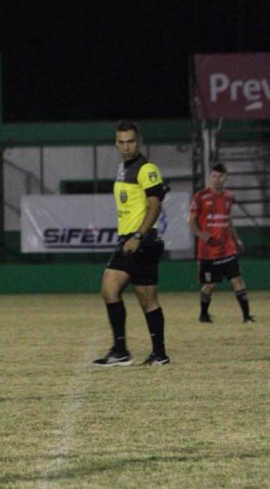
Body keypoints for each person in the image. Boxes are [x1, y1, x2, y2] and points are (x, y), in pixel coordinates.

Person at [93, 120, 170, 367]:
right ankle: (121, 350)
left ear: (140, 142)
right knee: (110, 289)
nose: (126, 147)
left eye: (131, 142)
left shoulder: (146, 169)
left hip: (142, 242)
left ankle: (158, 354)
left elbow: (155, 205)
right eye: (122, 142)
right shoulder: (123, 168)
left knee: (146, 300)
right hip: (127, 241)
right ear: (116, 144)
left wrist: (138, 236)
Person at [188, 162, 255, 323]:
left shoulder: (229, 197)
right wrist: (200, 233)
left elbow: (228, 221)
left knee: (237, 280)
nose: (217, 179)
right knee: (210, 285)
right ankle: (203, 315)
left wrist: (236, 239)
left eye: (220, 176)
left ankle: (246, 317)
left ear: (225, 178)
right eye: (214, 176)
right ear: (210, 177)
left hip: (227, 249)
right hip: (208, 251)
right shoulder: (201, 196)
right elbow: (191, 221)